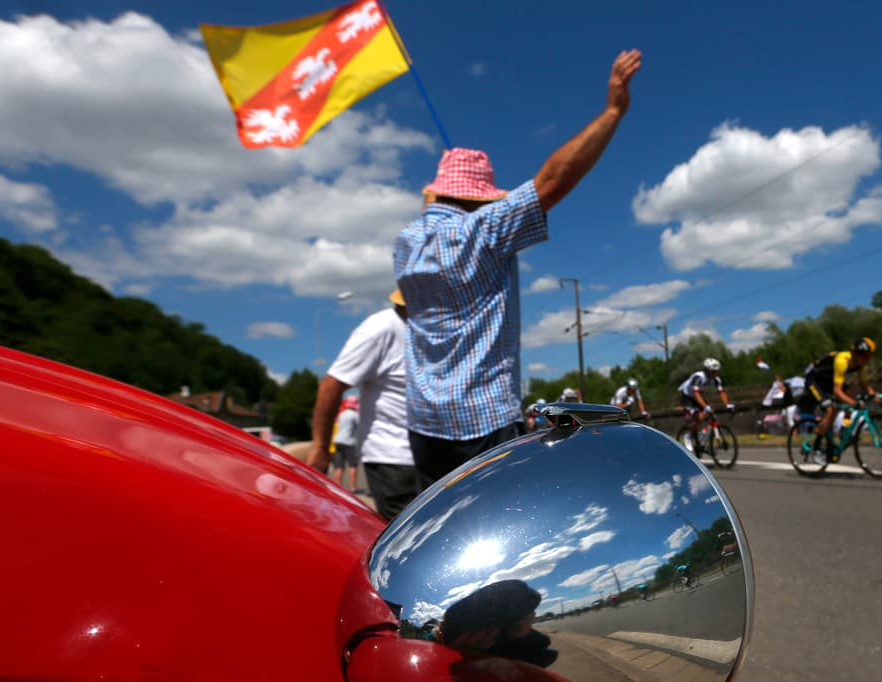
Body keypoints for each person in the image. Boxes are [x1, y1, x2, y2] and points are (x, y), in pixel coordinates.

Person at [394, 50, 643, 491]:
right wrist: (613, 111)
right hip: (483, 420)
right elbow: (552, 182)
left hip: (424, 422)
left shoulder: (406, 243)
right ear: (480, 198)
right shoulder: (484, 231)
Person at [308, 290, 418, 521]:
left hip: (431, 454)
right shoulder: (381, 328)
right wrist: (320, 448)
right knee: (411, 537)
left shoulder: (430, 330)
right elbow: (331, 385)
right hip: (394, 459)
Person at [800, 338, 879, 453]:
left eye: (870, 356)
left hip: (828, 380)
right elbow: (837, 391)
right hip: (814, 380)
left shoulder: (860, 365)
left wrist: (878, 397)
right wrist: (854, 404)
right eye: (867, 356)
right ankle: (815, 445)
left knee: (851, 396)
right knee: (830, 410)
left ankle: (844, 429)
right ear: (857, 355)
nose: (869, 359)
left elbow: (865, 386)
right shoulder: (842, 361)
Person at [678, 358, 733, 450]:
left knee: (710, 415)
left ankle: (702, 437)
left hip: (698, 395)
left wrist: (727, 405)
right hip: (687, 396)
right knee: (699, 416)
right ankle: (688, 435)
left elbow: (721, 392)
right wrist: (705, 407)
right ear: (706, 370)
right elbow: (695, 393)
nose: (715, 373)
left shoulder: (716, 379)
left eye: (716, 371)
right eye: (713, 371)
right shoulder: (699, 377)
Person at [330, 395, 360, 491]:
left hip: (338, 441)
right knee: (353, 465)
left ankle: (337, 487)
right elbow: (359, 428)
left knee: (338, 465)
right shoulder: (355, 415)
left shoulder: (341, 414)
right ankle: (352, 487)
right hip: (349, 442)